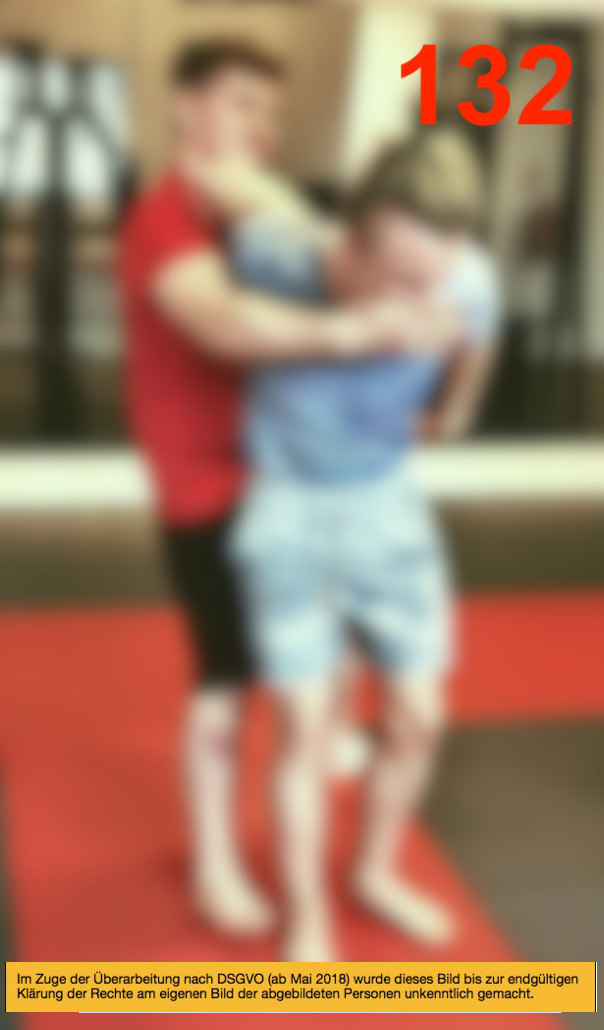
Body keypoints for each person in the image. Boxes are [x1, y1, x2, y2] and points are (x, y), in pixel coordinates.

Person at [118, 40, 465, 938]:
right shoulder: (163, 222)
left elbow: (330, 248)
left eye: (269, 112)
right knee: (225, 684)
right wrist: (367, 330)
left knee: (328, 666)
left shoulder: (258, 212)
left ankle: (329, 761)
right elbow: (226, 325)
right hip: (210, 481)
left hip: (295, 477)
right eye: (241, 105)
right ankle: (215, 865)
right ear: (186, 106)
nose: (260, 128)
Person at [199, 129, 501, 959]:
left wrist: (453, 415)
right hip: (286, 512)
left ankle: (372, 871)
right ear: (353, 241)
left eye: (434, 273)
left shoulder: (466, 278)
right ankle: (309, 913)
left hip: (389, 508)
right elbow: (217, 181)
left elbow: (475, 335)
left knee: (419, 720)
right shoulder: (281, 254)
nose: (421, 298)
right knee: (305, 730)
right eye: (399, 277)